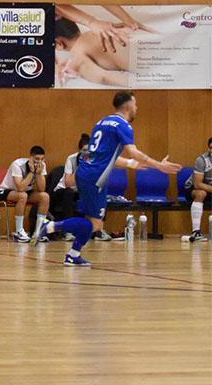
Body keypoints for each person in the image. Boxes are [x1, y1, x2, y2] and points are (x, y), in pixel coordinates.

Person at [33, 91, 181, 264]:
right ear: (127, 106)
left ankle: (73, 255)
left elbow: (106, 157)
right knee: (95, 224)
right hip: (96, 178)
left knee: (91, 220)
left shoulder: (102, 122)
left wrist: (132, 165)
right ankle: (50, 226)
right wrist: (159, 166)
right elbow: (133, 151)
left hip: (85, 172)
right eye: (135, 104)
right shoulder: (123, 125)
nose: (137, 108)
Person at [0, 145, 50, 242]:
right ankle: (18, 231)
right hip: (5, 191)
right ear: (31, 157)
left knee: (45, 197)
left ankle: (38, 232)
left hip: (25, 191)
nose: (39, 162)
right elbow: (20, 187)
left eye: (41, 159)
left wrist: (38, 173)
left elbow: (42, 188)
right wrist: (32, 172)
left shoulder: (42, 165)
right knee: (22, 196)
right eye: (36, 159)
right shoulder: (17, 164)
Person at [49, 134, 91, 240]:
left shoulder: (95, 160)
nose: (87, 153)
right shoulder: (71, 159)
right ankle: (68, 231)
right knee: (69, 192)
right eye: (84, 150)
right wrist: (80, 166)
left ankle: (97, 230)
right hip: (62, 191)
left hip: (80, 191)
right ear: (79, 150)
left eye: (89, 150)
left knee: (98, 194)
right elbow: (69, 183)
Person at [183, 137, 212, 242]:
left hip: (209, 189)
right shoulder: (202, 160)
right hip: (193, 188)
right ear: (209, 148)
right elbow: (198, 184)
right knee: (201, 193)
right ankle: (196, 231)